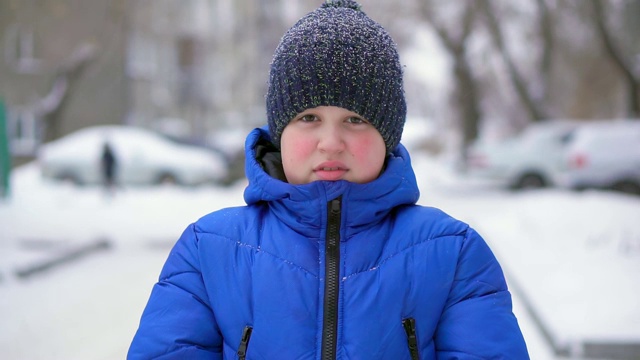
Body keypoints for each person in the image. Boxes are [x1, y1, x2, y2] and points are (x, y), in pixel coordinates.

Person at [128, 1, 530, 359]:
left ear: (388, 136)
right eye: (308, 119)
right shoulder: (209, 250)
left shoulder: (453, 253)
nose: (331, 143)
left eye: (355, 120)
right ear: (279, 132)